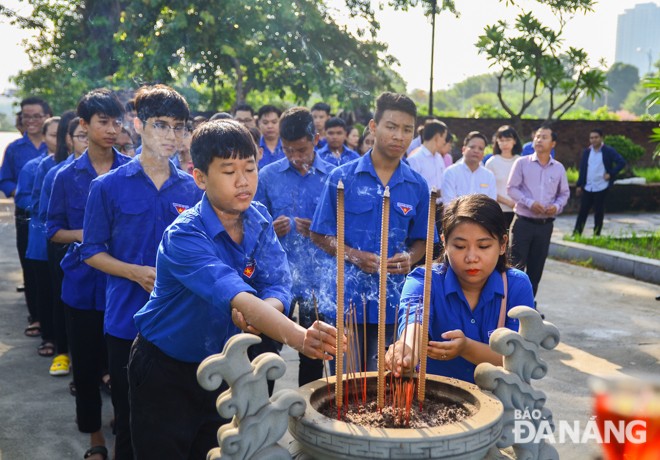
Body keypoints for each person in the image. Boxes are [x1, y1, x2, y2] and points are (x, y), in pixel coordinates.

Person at [128, 120, 339, 459]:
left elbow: (277, 283)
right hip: (168, 368)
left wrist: (261, 314)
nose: (243, 181)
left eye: (250, 168)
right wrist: (300, 338)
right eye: (228, 171)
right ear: (199, 177)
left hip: (228, 365)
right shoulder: (185, 235)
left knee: (218, 449)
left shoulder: (258, 218)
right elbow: (234, 293)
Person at [81, 84, 202, 460]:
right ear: (138, 124)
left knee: (182, 422)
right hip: (125, 322)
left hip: (181, 324)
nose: (171, 136)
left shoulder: (194, 188)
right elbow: (90, 252)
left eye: (179, 127)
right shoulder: (107, 187)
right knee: (130, 421)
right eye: (161, 125)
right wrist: (135, 272)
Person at [311, 92, 434, 372]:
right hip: (348, 302)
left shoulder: (418, 186)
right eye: (391, 126)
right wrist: (353, 256)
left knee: (389, 382)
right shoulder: (342, 178)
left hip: (395, 304)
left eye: (407, 130)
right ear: (374, 127)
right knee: (348, 385)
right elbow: (319, 235)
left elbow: (425, 240)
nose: (399, 136)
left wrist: (409, 257)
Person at [47, 89, 131, 460]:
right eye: (103, 122)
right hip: (82, 287)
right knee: (85, 370)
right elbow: (52, 230)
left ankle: (123, 428)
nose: (112, 129)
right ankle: (95, 438)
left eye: (117, 122)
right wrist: (87, 234)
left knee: (124, 369)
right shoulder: (65, 176)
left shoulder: (132, 171)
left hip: (125, 287)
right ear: (83, 125)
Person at [385, 194, 534, 383]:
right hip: (434, 399)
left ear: (503, 244)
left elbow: (520, 360)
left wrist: (467, 348)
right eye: (460, 246)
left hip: (497, 402)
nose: (472, 257)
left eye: (484, 246)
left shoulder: (516, 285)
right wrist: (406, 351)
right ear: (444, 243)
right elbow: (414, 322)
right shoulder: (424, 280)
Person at [255, 107, 334, 386]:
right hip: (277, 278)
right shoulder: (267, 176)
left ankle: (307, 412)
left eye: (301, 150)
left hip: (319, 278)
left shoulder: (334, 177)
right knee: (267, 348)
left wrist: (319, 230)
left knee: (313, 351)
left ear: (316, 139)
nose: (296, 157)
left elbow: (344, 232)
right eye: (289, 151)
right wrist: (269, 230)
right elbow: (252, 225)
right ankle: (261, 411)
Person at [1, 97, 51, 336]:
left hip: (53, 214)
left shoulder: (55, 144)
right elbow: (5, 179)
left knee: (51, 267)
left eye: (37, 116)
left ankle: (52, 316)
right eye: (26, 116)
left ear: (47, 116)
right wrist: (21, 193)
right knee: (30, 264)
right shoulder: (15, 149)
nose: (31, 121)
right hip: (27, 214)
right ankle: (37, 317)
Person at [507, 124, 569, 299]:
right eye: (537, 136)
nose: (539, 140)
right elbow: (512, 188)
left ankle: (529, 306)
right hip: (523, 223)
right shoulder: (521, 163)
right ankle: (511, 307)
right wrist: (529, 203)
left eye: (544, 137)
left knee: (536, 268)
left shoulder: (558, 168)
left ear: (553, 143)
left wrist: (556, 207)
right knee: (516, 267)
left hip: (545, 226)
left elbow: (564, 193)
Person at [15, 116, 59, 355]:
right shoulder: (36, 167)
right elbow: (24, 200)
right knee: (43, 288)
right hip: (41, 238)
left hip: (64, 240)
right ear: (44, 138)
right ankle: (49, 336)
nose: (59, 140)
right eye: (53, 135)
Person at [572, 129, 626, 236]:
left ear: (601, 138)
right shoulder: (587, 152)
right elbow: (583, 169)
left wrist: (611, 174)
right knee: (583, 211)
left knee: (598, 212)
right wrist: (579, 185)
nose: (593, 140)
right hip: (588, 186)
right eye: (591, 138)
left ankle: (597, 234)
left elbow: (621, 162)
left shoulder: (608, 151)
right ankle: (576, 233)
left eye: (596, 137)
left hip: (601, 186)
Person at [442, 131, 497, 205]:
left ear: (483, 153)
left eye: (480, 149)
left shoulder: (489, 176)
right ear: (463, 149)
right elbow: (448, 203)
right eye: (472, 147)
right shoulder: (451, 172)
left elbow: (491, 204)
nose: (476, 151)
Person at [485, 125, 523, 230]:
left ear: (514, 141)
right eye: (501, 140)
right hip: (498, 210)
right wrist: (508, 202)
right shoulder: (491, 162)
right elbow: (487, 188)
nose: (504, 143)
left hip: (519, 210)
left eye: (508, 140)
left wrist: (517, 203)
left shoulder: (520, 161)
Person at [406, 120, 448, 196]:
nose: (444, 142)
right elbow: (411, 189)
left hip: (440, 206)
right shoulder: (414, 159)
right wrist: (434, 194)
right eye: (444, 138)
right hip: (423, 206)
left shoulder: (439, 158)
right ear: (437, 137)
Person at [256, 104, 283, 168]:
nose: (270, 126)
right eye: (265, 122)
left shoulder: (289, 147)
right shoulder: (254, 146)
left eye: (274, 122)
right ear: (259, 123)